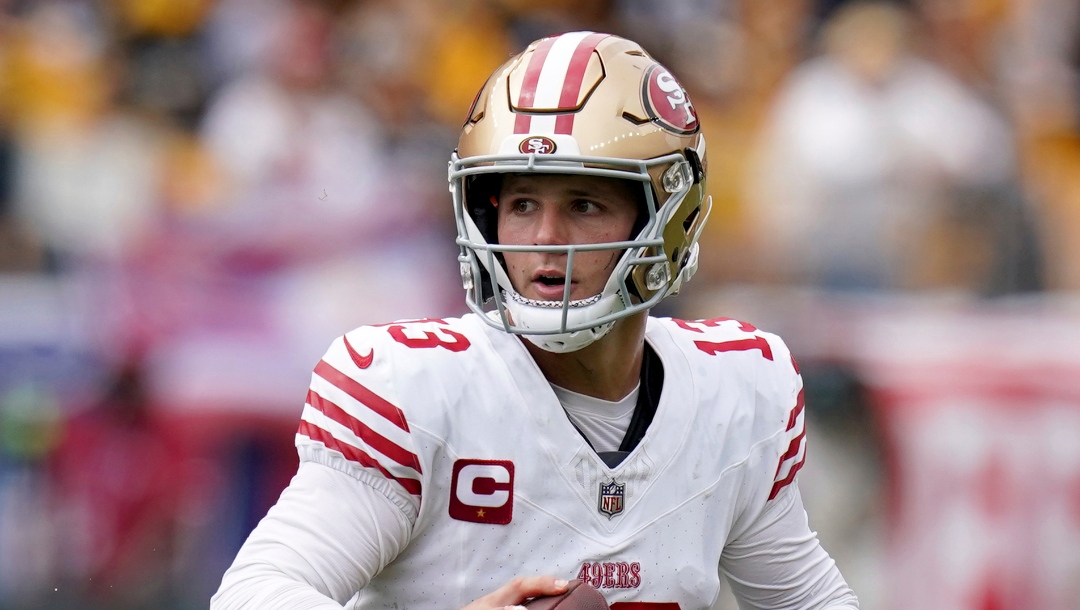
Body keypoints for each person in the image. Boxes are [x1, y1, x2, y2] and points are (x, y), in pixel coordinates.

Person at [211, 31, 859, 610]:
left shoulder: (734, 395)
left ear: (668, 218)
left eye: (583, 204)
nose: (545, 239)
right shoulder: (414, 391)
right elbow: (253, 593)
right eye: (522, 204)